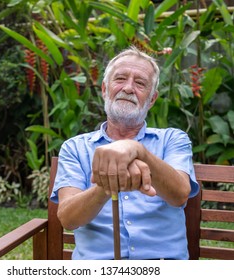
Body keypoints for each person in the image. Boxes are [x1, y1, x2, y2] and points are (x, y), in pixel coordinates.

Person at [50, 46, 200, 260]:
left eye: (140, 83)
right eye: (120, 79)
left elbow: (180, 195)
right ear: (104, 89)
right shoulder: (75, 148)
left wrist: (137, 150)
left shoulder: (173, 140)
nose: (128, 88)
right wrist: (107, 184)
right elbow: (67, 218)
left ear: (152, 99)